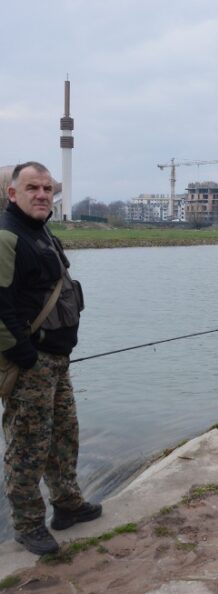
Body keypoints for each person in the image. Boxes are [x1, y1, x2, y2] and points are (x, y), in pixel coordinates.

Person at [0, 162, 101, 556]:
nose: (42, 195)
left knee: (63, 434)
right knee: (28, 446)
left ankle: (67, 504)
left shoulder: (40, 232)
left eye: (47, 188)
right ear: (13, 194)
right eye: (32, 188)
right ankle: (27, 525)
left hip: (56, 360)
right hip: (30, 363)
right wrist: (24, 355)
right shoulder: (7, 238)